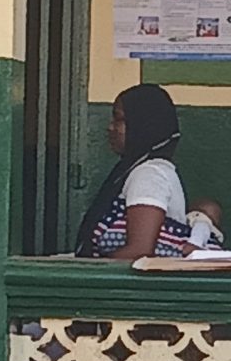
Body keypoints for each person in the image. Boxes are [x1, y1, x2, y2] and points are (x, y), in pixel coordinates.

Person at [72, 83, 196, 260]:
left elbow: (140, 251)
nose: (110, 127)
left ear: (143, 124)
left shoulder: (149, 175)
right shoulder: (137, 170)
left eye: (119, 119)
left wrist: (91, 273)